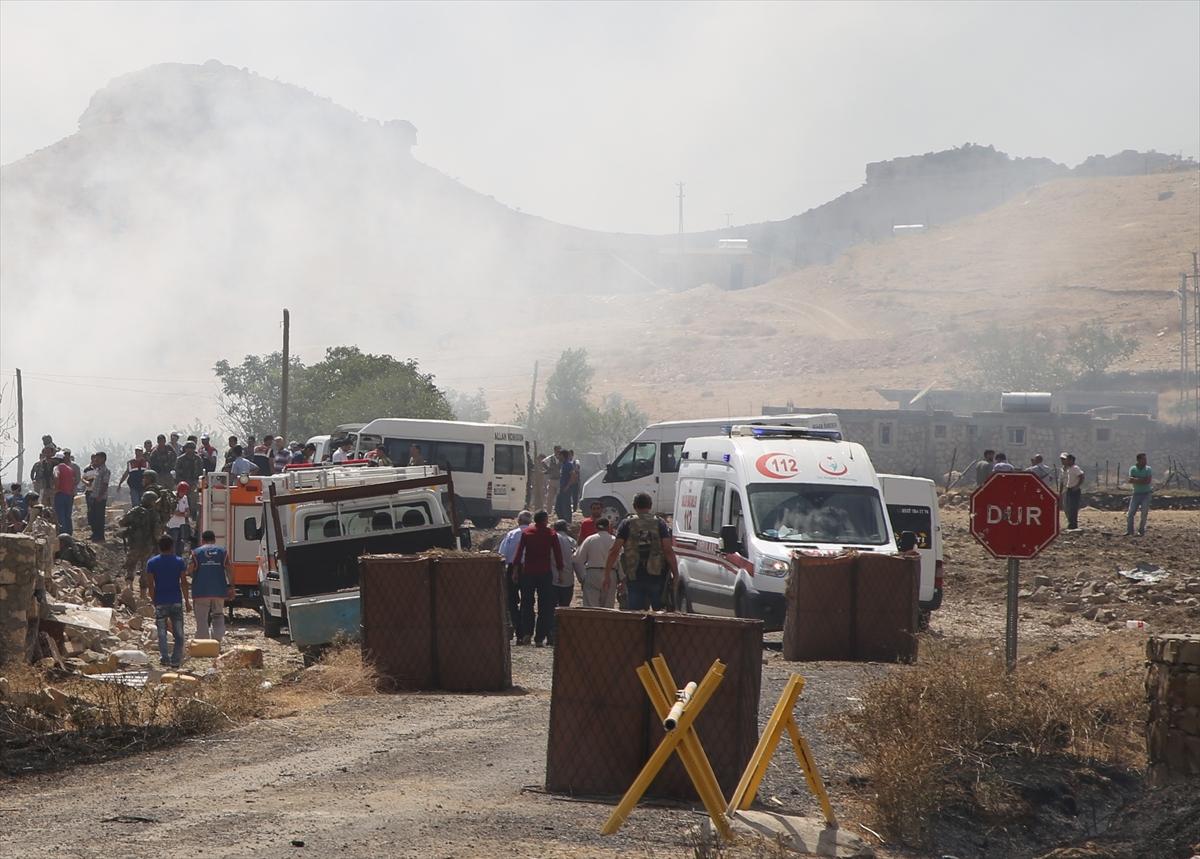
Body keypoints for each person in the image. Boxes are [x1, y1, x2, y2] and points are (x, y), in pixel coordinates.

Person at [603, 492, 678, 611]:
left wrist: (606, 575)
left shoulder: (626, 523)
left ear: (634, 506)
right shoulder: (660, 523)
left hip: (634, 576)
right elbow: (668, 550)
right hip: (657, 575)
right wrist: (676, 574)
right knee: (660, 615)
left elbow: (614, 550)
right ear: (650, 505)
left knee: (636, 617)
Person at [512, 510, 563, 646]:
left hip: (528, 572)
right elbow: (557, 554)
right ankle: (539, 637)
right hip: (544, 573)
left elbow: (518, 553)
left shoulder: (527, 533)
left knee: (526, 603)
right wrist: (561, 571)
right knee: (544, 605)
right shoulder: (551, 534)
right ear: (545, 520)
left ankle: (527, 633)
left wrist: (515, 571)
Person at [146, 534, 190, 668]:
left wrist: (154, 601)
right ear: (172, 546)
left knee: (162, 632)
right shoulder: (179, 561)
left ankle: (165, 658)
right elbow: (184, 582)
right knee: (179, 633)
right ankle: (176, 660)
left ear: (159, 547)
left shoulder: (152, 563)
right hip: (176, 600)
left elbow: (150, 585)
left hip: (160, 601)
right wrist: (187, 601)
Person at [189, 530, 234, 643]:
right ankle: (217, 640)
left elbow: (189, 570)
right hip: (219, 590)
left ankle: (203, 643)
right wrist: (231, 587)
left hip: (201, 591)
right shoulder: (223, 552)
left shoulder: (196, 552)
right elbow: (229, 570)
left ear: (202, 540)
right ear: (214, 540)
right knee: (218, 615)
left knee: (202, 618)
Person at [497, 510, 533, 639]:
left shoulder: (511, 534)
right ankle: (527, 630)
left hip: (512, 568)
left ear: (518, 521)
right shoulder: (533, 533)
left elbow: (502, 554)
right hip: (530, 569)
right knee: (527, 600)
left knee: (512, 601)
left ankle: (518, 628)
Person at [119, 492, 161, 601]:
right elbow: (157, 533)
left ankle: (128, 588)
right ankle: (143, 595)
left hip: (134, 544)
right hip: (148, 546)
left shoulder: (135, 511)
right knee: (145, 569)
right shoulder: (154, 514)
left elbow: (121, 522)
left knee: (130, 565)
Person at [574, 517, 616, 608]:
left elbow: (577, 560)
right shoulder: (614, 540)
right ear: (608, 528)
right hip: (610, 574)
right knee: (608, 609)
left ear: (596, 528)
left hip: (592, 573)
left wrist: (582, 577)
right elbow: (620, 560)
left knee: (591, 608)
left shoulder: (590, 539)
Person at [550, 519, 577, 643]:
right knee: (564, 608)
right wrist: (582, 578)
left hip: (552, 579)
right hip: (568, 580)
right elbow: (577, 561)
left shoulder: (551, 539)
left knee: (551, 608)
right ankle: (562, 636)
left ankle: (551, 635)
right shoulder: (572, 542)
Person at [82, 451, 110, 542]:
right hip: (93, 496)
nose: (96, 460)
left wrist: (100, 496)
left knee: (99, 517)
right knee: (92, 516)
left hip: (100, 497)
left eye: (98, 458)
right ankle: (95, 534)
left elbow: (105, 485)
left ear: (103, 459)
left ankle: (100, 536)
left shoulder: (105, 471)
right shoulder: (97, 470)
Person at [1126, 453, 1153, 537]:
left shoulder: (1148, 469)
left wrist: (1136, 480)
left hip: (1146, 494)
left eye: (1145, 459)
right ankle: (1130, 531)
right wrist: (1142, 480)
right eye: (1143, 459)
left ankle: (1141, 531)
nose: (1145, 461)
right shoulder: (1133, 469)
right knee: (1130, 513)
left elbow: (1148, 481)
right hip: (1136, 494)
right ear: (1139, 460)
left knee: (1144, 513)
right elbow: (1130, 480)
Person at [174, 441, 204, 517]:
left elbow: (200, 472)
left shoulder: (198, 459)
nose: (190, 450)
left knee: (194, 500)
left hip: (194, 482)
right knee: (182, 500)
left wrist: (196, 483)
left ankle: (193, 516)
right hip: (183, 483)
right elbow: (177, 472)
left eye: (192, 448)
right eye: (188, 448)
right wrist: (180, 483)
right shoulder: (180, 459)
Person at [51, 451, 75, 535]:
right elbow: (73, 481)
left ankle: (63, 534)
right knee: (68, 515)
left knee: (60, 514)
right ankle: (69, 532)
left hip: (60, 494)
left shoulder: (56, 468)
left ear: (58, 460)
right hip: (69, 494)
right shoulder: (70, 469)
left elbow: (56, 476)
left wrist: (56, 489)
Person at [1059, 453, 1085, 530]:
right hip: (1068, 489)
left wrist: (1077, 486)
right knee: (1067, 507)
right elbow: (1063, 480)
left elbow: (1081, 477)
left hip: (1074, 490)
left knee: (1073, 507)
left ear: (1071, 460)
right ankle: (1070, 522)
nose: (1065, 461)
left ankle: (1073, 524)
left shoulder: (1075, 468)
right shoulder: (1068, 469)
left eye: (1066, 460)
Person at [166, 482, 191, 555]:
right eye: (182, 492)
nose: (183, 494)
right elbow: (174, 511)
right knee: (173, 543)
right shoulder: (171, 496)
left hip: (181, 524)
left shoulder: (185, 498)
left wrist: (184, 514)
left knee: (181, 544)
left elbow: (187, 510)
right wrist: (183, 514)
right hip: (172, 525)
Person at [555, 450, 573, 521]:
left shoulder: (568, 464)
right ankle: (562, 520)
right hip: (562, 488)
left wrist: (567, 486)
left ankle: (568, 522)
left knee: (566, 506)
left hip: (566, 489)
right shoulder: (563, 465)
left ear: (562, 456)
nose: (558, 457)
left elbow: (573, 476)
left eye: (559, 455)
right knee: (558, 507)